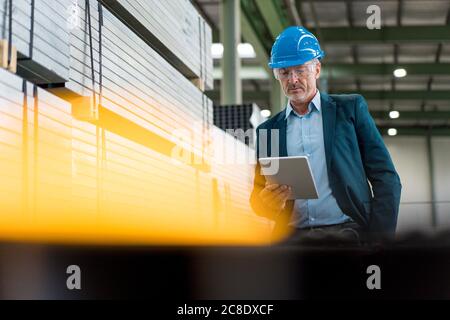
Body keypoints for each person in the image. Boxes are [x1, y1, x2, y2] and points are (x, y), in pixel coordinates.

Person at [249, 26, 402, 244]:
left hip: (348, 236)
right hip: (294, 241)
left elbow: (386, 177)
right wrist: (267, 204)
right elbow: (257, 199)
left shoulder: (350, 110)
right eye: (284, 72)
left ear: (317, 69)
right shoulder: (267, 130)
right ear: (277, 76)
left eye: (300, 70)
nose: (292, 79)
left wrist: (378, 240)